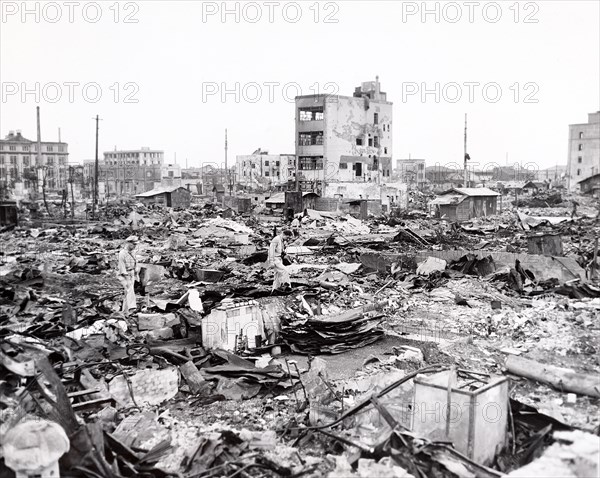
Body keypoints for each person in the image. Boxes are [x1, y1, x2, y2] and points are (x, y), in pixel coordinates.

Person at [117, 237, 138, 315]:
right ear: (128, 243)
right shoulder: (122, 253)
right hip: (124, 274)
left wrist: (136, 273)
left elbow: (135, 263)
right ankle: (132, 307)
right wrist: (126, 276)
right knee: (130, 289)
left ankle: (125, 312)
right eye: (133, 244)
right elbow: (121, 266)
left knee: (127, 293)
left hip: (131, 273)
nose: (135, 246)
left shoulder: (133, 252)